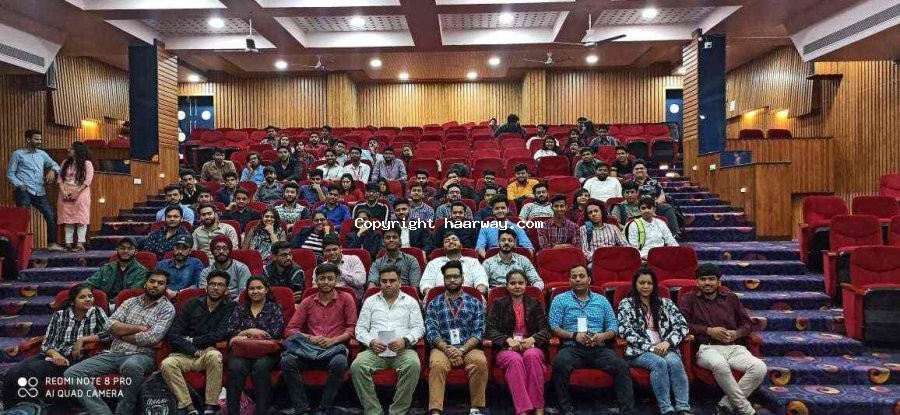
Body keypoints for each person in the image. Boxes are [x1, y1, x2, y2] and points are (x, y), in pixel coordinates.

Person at [64, 270, 175, 415]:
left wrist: (121, 334)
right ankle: (101, 412)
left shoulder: (167, 309)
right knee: (72, 372)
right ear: (145, 283)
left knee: (131, 365)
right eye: (152, 281)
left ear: (166, 287)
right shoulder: (130, 302)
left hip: (142, 355)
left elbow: (151, 338)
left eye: (160, 283)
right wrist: (138, 328)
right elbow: (109, 325)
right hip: (114, 353)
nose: (155, 285)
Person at [1, 283, 108, 408]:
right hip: (53, 354)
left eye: (90, 296)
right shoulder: (60, 315)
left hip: (74, 358)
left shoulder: (97, 312)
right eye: (82, 297)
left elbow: (110, 333)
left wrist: (83, 339)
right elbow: (47, 342)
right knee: (13, 372)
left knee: (29, 371)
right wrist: (55, 354)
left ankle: (32, 407)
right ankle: (9, 408)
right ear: (73, 301)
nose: (88, 299)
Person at [679, 263, 766, 415]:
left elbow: (747, 323)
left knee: (759, 367)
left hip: (733, 347)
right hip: (706, 348)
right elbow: (681, 324)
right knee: (719, 364)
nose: (707, 283)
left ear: (719, 282)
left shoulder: (730, 297)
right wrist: (708, 331)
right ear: (697, 282)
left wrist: (737, 333)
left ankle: (725, 405)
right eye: (703, 279)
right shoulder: (689, 299)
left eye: (711, 279)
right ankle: (747, 410)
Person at [549, 265, 635, 415]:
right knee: (560, 363)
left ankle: (626, 411)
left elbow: (613, 326)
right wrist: (574, 335)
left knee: (621, 366)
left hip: (599, 347)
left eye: (581, 276)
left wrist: (602, 336)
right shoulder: (560, 300)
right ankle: (565, 409)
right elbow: (554, 326)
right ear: (569, 281)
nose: (577, 279)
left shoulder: (601, 300)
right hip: (572, 347)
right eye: (574, 277)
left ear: (589, 280)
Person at [281, 263, 357, 415]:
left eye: (330, 278)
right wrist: (310, 338)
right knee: (286, 361)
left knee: (339, 363)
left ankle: (325, 407)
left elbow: (351, 329)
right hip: (309, 350)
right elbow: (290, 329)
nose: (326, 282)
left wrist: (333, 340)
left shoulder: (346, 299)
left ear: (336, 280)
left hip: (334, 349)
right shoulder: (308, 301)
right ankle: (301, 406)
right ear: (316, 280)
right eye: (322, 278)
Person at [617, 267, 692, 415]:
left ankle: (683, 407)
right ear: (635, 284)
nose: (646, 286)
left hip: (665, 347)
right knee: (659, 363)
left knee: (675, 362)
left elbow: (682, 326)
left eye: (649, 283)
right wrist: (652, 348)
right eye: (642, 283)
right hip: (638, 350)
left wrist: (668, 342)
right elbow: (625, 331)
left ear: (654, 285)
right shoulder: (626, 304)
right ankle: (666, 408)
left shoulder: (666, 303)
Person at [352, 265, 424, 415]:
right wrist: (371, 342)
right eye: (384, 281)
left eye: (392, 280)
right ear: (379, 282)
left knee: (413, 364)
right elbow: (360, 329)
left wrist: (405, 340)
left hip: (402, 351)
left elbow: (419, 328)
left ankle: (398, 411)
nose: (388, 284)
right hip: (375, 351)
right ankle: (373, 410)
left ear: (400, 282)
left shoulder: (410, 302)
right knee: (357, 366)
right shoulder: (370, 301)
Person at [160, 270, 235, 415]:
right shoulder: (192, 305)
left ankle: (210, 406)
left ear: (226, 290)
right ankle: (189, 407)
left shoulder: (230, 307)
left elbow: (221, 333)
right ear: (206, 287)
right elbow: (174, 335)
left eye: (220, 285)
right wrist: (194, 350)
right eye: (212, 284)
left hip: (208, 354)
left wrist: (194, 340)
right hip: (185, 354)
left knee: (215, 356)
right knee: (167, 364)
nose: (215, 288)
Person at [424, 260, 489, 415]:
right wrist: (447, 349)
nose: (452, 280)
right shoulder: (434, 303)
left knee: (480, 362)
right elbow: (432, 331)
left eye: (456, 276)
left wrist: (461, 350)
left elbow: (479, 331)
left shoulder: (475, 302)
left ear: (462, 278)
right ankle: (435, 410)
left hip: (469, 347)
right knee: (437, 364)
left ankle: (476, 408)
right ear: (444, 280)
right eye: (448, 277)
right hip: (442, 347)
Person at [485, 270, 551, 415]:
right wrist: (507, 340)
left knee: (532, 356)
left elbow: (546, 329)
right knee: (515, 360)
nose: (517, 286)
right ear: (507, 285)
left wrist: (533, 339)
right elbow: (489, 329)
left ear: (526, 284)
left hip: (531, 345)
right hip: (506, 348)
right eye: (513, 283)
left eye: (520, 283)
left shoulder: (535, 303)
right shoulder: (498, 304)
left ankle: (538, 407)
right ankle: (523, 410)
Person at [224, 276, 285, 415]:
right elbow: (231, 331)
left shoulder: (274, 308)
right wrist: (249, 331)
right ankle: (233, 412)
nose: (255, 291)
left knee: (260, 368)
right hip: (242, 351)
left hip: (267, 352)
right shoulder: (240, 309)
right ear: (247, 291)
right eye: (251, 288)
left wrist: (245, 334)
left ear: (266, 290)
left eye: (259, 288)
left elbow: (275, 333)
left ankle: (261, 411)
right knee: (235, 368)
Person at [7, 129, 64, 251]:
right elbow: (10, 173)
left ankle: (52, 244)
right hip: (24, 190)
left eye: (40, 139)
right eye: (36, 139)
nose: (39, 141)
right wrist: (19, 185)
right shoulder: (17, 154)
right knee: (23, 217)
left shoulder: (42, 154)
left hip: (39, 191)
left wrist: (52, 170)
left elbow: (56, 166)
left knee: (50, 215)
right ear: (28, 140)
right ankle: (19, 246)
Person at [420, 232, 489, 296]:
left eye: (454, 239)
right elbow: (426, 283)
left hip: (469, 299)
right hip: (439, 300)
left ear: (461, 246)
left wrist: (480, 294)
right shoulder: (433, 263)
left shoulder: (473, 262)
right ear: (443, 248)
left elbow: (481, 279)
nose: (451, 242)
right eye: (447, 241)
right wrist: (429, 296)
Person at [55, 141, 94, 252]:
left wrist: (77, 192)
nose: (68, 150)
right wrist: (63, 192)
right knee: (68, 220)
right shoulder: (65, 162)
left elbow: (88, 181)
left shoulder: (87, 164)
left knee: (81, 219)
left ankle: (80, 244)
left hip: (81, 193)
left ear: (77, 151)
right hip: (65, 193)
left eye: (71, 148)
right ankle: (68, 244)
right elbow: (60, 179)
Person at [85, 237, 149, 299]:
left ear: (136, 251)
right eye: (122, 248)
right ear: (117, 250)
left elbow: (132, 294)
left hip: (127, 303)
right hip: (105, 302)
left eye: (130, 249)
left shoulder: (142, 272)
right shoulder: (106, 268)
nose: (125, 251)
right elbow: (88, 284)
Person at [630, 160, 680, 236]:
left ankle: (676, 234)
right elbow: (627, 197)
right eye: (637, 169)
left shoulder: (654, 182)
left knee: (667, 207)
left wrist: (654, 205)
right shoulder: (629, 183)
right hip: (636, 207)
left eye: (641, 168)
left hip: (654, 206)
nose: (639, 170)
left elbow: (662, 196)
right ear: (633, 171)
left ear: (646, 170)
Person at [579, 199, 630, 263]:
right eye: (590, 212)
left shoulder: (613, 228)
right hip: (595, 261)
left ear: (602, 212)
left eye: (596, 211)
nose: (593, 214)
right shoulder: (584, 229)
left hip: (613, 259)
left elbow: (625, 245)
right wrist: (600, 260)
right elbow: (585, 251)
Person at [317, 233, 367, 298]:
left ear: (340, 248)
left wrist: (338, 270)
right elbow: (316, 289)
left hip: (353, 299)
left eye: (335, 249)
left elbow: (360, 281)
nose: (332, 253)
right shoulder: (320, 268)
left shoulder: (353, 260)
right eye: (328, 250)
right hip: (328, 300)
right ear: (324, 252)